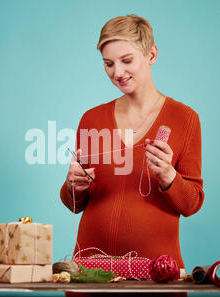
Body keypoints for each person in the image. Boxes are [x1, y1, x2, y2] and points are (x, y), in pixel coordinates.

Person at [60, 14, 204, 278]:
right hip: (91, 274)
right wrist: (74, 186)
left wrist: (169, 177)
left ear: (151, 55)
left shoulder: (185, 119)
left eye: (127, 61)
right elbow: (74, 204)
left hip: (157, 273)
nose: (117, 72)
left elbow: (192, 203)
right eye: (108, 64)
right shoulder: (91, 119)